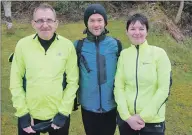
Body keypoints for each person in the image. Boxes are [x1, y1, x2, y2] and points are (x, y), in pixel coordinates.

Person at [9, 3, 79, 135]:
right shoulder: (22, 45)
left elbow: (73, 82)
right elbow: (15, 81)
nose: (45, 25)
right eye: (40, 20)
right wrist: (22, 112)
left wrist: (63, 112)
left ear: (56, 23)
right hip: (29, 115)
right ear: (33, 23)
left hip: (57, 114)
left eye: (49, 20)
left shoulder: (67, 46)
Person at [114, 13, 172, 135]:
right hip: (127, 121)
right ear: (127, 31)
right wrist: (127, 117)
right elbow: (119, 87)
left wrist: (142, 117)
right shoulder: (124, 55)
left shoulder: (159, 54)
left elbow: (164, 89)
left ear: (147, 32)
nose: (137, 32)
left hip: (152, 121)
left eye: (141, 28)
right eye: (133, 28)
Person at [74, 4, 122, 135]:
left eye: (100, 20)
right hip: (88, 106)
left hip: (111, 104)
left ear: (105, 22)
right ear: (86, 23)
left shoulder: (115, 45)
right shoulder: (78, 46)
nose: (96, 24)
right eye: (92, 20)